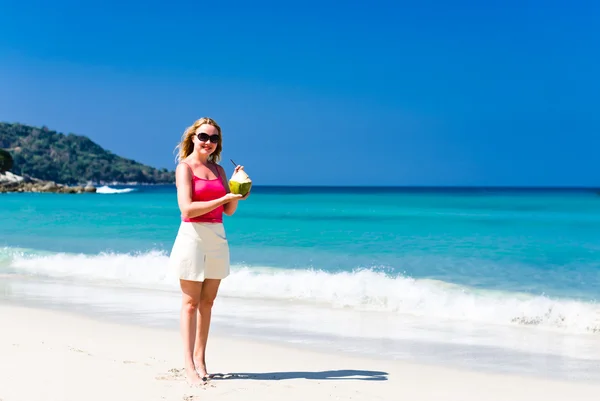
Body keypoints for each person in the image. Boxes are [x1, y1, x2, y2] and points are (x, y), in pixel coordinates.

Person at [169, 117, 250, 385]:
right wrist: (224, 197)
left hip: (217, 236)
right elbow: (187, 209)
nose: (208, 142)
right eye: (204, 136)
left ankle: (201, 358)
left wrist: (238, 193)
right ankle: (188, 364)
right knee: (190, 304)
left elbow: (228, 211)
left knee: (208, 302)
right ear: (193, 137)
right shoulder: (185, 168)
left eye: (214, 138)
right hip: (192, 236)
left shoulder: (219, 171)